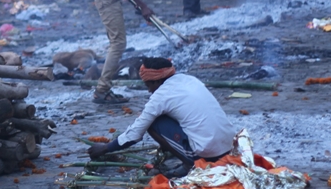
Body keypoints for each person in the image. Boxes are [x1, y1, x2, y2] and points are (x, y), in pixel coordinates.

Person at [88, 57, 236, 178]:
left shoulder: (160, 96)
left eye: (148, 85)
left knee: (153, 123)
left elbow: (134, 134)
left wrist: (106, 148)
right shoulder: (188, 79)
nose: (148, 89)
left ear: (156, 81)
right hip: (229, 145)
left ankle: (190, 163)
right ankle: (183, 152)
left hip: (208, 151)